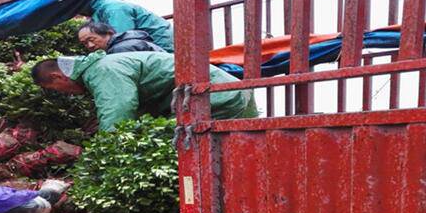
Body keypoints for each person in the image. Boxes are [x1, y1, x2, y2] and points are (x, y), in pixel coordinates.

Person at [31, 51, 257, 132]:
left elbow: (118, 113)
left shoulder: (102, 71)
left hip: (216, 96)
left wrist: (104, 153)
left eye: (55, 89)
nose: (64, 93)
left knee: (169, 140)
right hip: (226, 91)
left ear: (57, 76)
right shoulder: (102, 69)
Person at [83, 0, 174, 52]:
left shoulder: (114, 9)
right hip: (151, 48)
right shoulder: (97, 13)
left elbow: (122, 41)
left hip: (163, 48)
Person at [78, 20, 164, 54]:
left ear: (109, 33)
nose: (90, 45)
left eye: (92, 39)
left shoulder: (121, 48)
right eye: (85, 43)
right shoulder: (128, 42)